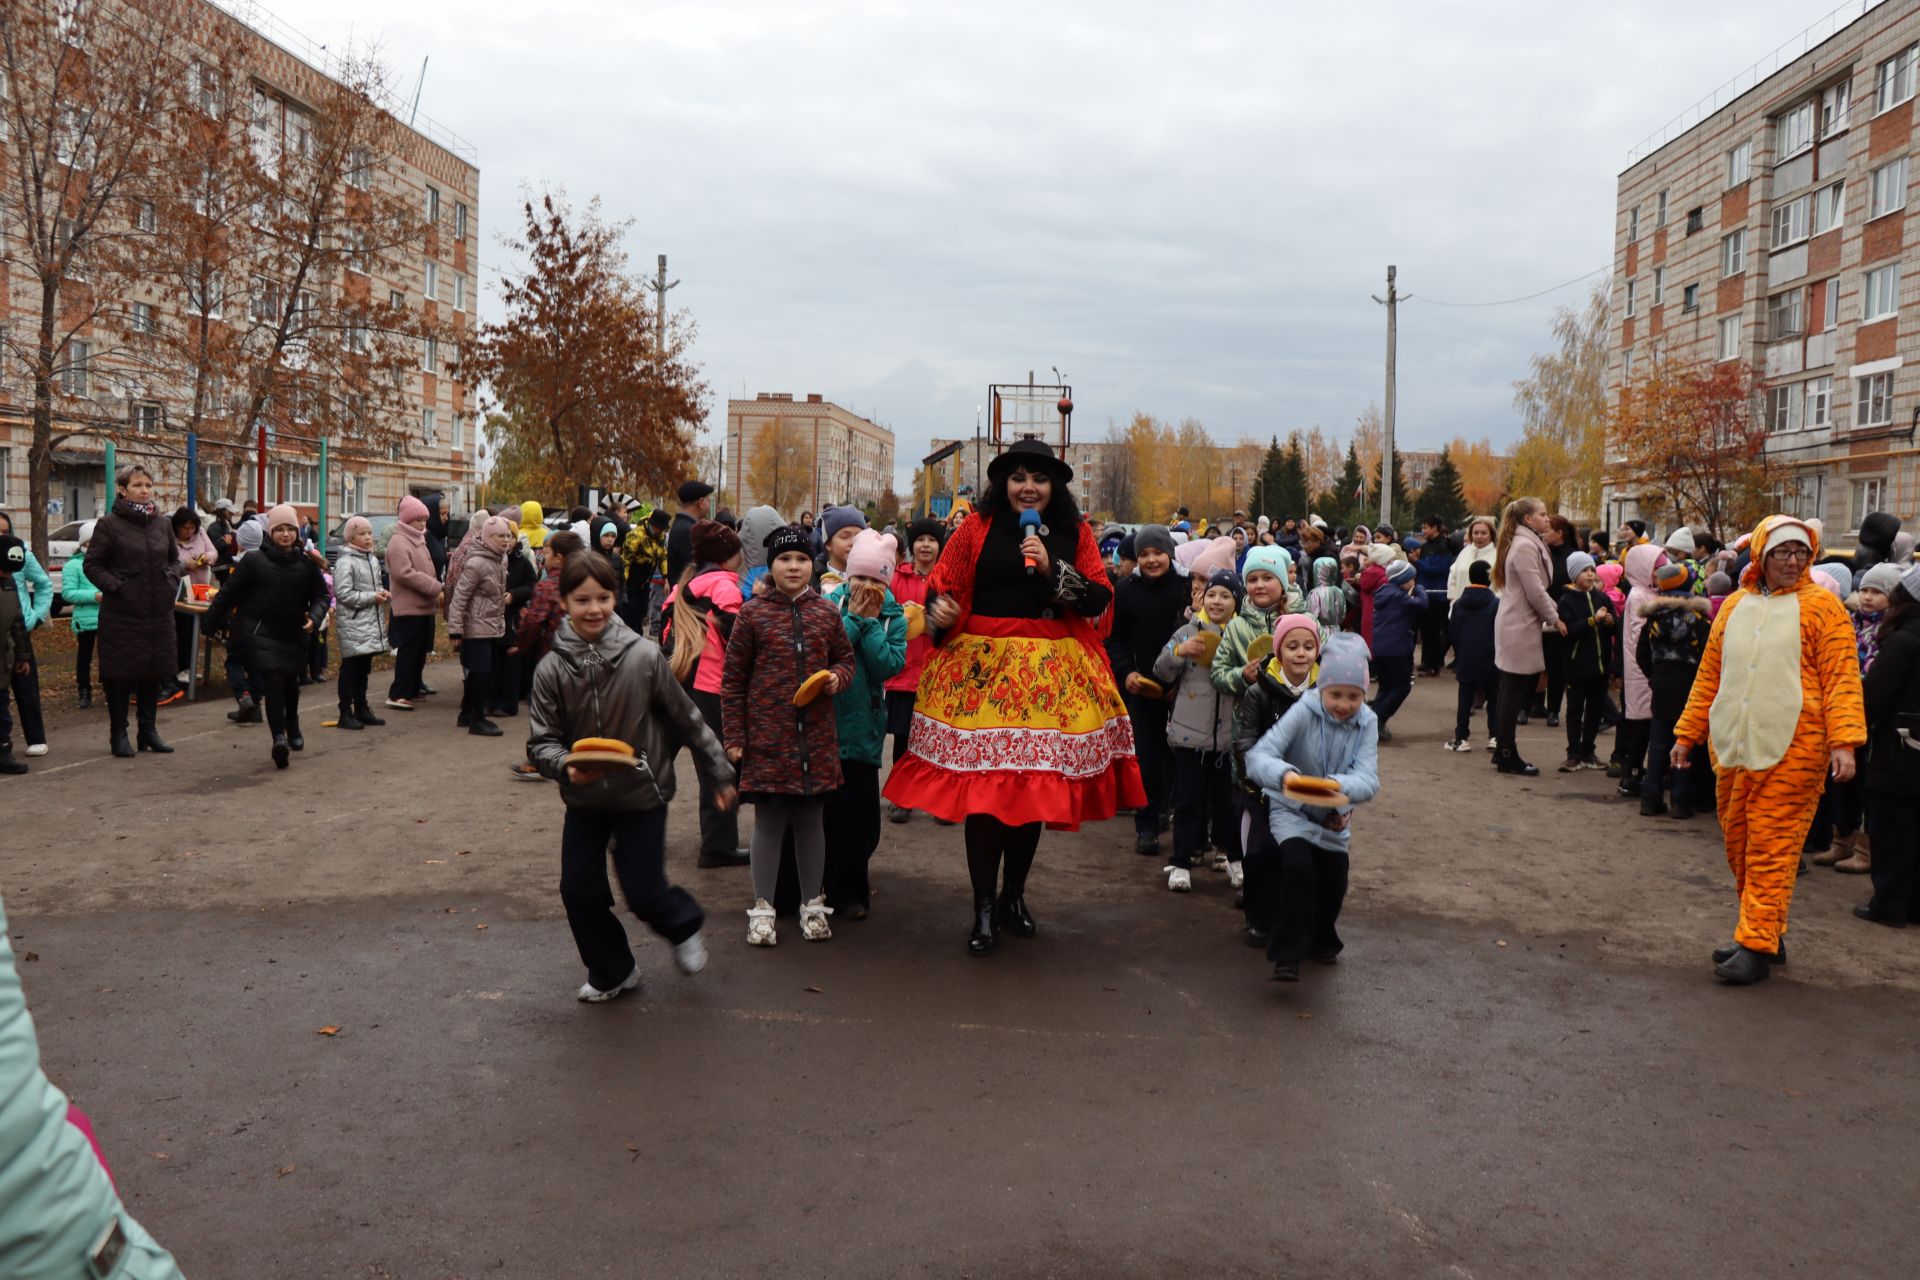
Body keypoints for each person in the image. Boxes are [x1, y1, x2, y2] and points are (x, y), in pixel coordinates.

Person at [883, 439, 1144, 954]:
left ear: (1054, 487)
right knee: (984, 798)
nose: (1028, 487)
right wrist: (940, 611)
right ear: (1003, 483)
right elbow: (944, 587)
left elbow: (1098, 596)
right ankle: (982, 907)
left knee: (1031, 795)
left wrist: (1050, 568)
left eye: (1040, 478)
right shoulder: (975, 529)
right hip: (982, 677)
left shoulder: (1076, 532)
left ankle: (1014, 897)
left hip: (1051, 679)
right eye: (1019, 477)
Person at [526, 551, 735, 1001]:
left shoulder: (643, 657)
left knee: (643, 891)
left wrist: (720, 774)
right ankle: (613, 970)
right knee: (578, 890)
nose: (595, 608)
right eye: (582, 599)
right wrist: (565, 765)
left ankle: (683, 926)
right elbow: (541, 741)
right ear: (564, 602)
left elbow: (689, 719)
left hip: (643, 791)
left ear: (615, 598)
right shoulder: (550, 669)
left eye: (603, 597)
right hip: (584, 799)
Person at [1671, 515, 1866, 984]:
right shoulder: (1735, 605)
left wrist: (1844, 742)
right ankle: (1763, 930)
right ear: (1761, 554)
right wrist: (1686, 734)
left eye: (1801, 552)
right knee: (1739, 841)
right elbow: (1709, 677)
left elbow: (1842, 677)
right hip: (1734, 745)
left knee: (1772, 845)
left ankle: (1756, 944)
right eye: (1782, 552)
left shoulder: (1824, 608)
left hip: (1796, 746)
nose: (1793, 561)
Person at [722, 524, 855, 946]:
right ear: (771, 565)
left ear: (811, 564)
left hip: (815, 741)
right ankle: (763, 908)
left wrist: (836, 678)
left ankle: (812, 906)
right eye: (784, 559)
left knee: (811, 822)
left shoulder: (826, 613)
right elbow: (733, 681)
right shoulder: (752, 614)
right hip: (767, 741)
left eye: (800, 559)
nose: (793, 566)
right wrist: (734, 736)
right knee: (768, 822)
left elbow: (846, 661)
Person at [1243, 633, 1381, 982]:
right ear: (1322, 688)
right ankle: (1287, 954)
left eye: (1353, 696)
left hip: (1334, 816)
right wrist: (1285, 777)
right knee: (1299, 871)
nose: (1343, 704)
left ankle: (1322, 936)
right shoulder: (1304, 709)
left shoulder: (1368, 722)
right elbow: (1258, 756)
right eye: (1335, 694)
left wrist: (1337, 790)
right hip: (1290, 810)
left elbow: (1368, 778)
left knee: (1334, 882)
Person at [821, 529, 907, 917]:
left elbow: (888, 666)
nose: (867, 586)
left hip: (865, 731)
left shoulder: (893, 616)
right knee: (827, 815)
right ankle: (824, 887)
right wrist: (854, 619)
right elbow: (827, 652)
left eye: (876, 579)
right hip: (827, 725)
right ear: (848, 576)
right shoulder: (829, 606)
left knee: (862, 822)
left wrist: (871, 624)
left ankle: (853, 890)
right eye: (860, 578)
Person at [206, 504, 329, 769]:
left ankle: (292, 723)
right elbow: (228, 594)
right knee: (273, 681)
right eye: (279, 529)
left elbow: (321, 595)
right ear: (269, 533)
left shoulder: (306, 564)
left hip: (295, 632)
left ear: (297, 533)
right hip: (263, 633)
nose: (285, 534)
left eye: (290, 529)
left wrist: (315, 617)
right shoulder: (254, 561)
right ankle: (279, 738)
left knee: (291, 684)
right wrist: (210, 623)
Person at [662, 520, 749, 868]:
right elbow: (740, 643)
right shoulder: (726, 587)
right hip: (710, 691)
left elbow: (664, 636)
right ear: (729, 556)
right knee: (718, 768)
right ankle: (718, 846)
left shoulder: (680, 588)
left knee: (654, 763)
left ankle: (621, 832)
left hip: (672, 684)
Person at [1234, 614, 1322, 941]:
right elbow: (1244, 741)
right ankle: (1259, 919)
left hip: (1310, 795)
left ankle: (1303, 923)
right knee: (1261, 855)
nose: (1301, 653)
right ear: (1279, 650)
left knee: (1305, 861)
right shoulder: (1259, 692)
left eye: (1308, 646)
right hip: (1265, 791)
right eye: (1293, 646)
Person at [84, 465, 182, 758]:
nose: (144, 490)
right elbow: (92, 565)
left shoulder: (163, 524)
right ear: (123, 490)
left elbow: (175, 560)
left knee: (152, 671)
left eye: (149, 484)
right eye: (138, 484)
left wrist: (170, 579)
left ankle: (148, 731)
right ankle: (119, 734)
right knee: (120, 675)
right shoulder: (109, 525)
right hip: (122, 614)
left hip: (157, 613)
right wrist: (118, 587)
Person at [1156, 568, 1243, 892]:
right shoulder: (1186, 632)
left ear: (1236, 602)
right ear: (1202, 598)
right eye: (1212, 594)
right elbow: (1160, 669)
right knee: (1189, 800)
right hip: (1190, 733)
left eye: (1225, 595)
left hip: (1228, 738)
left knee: (1228, 804)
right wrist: (1180, 653)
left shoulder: (1241, 635)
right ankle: (1180, 861)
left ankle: (1233, 858)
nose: (1217, 601)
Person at [1105, 523, 1188, 856]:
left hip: (1183, 688)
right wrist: (1126, 674)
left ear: (1169, 553)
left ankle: (1187, 826)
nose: (1152, 560)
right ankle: (1147, 825)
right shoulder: (1125, 590)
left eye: (1158, 553)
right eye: (1144, 554)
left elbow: (1190, 634)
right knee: (1147, 758)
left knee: (1182, 758)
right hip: (1142, 687)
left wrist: (1179, 681)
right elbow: (1115, 638)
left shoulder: (1185, 587)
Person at [1817, 564, 1898, 871]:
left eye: (1876, 592)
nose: (1867, 597)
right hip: (1845, 708)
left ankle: (1864, 850)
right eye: (1864, 590)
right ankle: (1842, 841)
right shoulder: (1850, 622)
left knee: (1865, 783)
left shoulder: (1889, 630)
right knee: (1843, 782)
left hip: (1873, 715)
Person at [1856, 564, 1920, 926]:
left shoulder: (1903, 640)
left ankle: (1889, 905)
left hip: (1900, 747)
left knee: (1892, 828)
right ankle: (1913, 904)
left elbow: (1875, 695)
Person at [1489, 497, 1563, 777]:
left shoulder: (1525, 542)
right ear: (1527, 519)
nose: (1547, 518)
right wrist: (1556, 618)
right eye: (1542, 514)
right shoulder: (1523, 546)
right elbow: (1535, 591)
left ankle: (1504, 749)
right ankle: (1506, 751)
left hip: (1520, 623)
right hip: (1518, 625)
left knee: (1512, 691)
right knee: (1512, 692)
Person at [1635, 561, 1712, 817]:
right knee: (1685, 742)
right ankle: (1680, 801)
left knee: (1657, 744)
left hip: (1661, 685)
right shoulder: (1700, 621)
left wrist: (1655, 676)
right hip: (1691, 687)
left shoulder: (1653, 620)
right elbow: (1708, 657)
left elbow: (1642, 655)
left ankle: (1650, 797)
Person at [885, 516, 943, 820]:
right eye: (920, 539)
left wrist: (934, 623)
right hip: (904, 672)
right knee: (904, 739)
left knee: (936, 740)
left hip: (938, 675)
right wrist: (903, 617)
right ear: (912, 546)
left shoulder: (947, 579)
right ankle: (901, 797)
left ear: (939, 546)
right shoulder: (898, 578)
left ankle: (938, 800)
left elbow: (958, 620)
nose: (925, 545)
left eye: (932, 540)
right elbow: (884, 614)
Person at [448, 515, 518, 738]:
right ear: (488, 537)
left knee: (478, 671)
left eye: (508, 536)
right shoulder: (476, 563)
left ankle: (466, 713)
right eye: (500, 536)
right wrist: (455, 629)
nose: (506, 540)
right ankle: (477, 719)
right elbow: (460, 597)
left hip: (490, 624)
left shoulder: (501, 560)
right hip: (475, 625)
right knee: (480, 671)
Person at [1555, 551, 1616, 772]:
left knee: (1595, 710)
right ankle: (1573, 753)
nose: (1590, 575)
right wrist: (1593, 620)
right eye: (1584, 571)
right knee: (1574, 710)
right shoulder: (1566, 600)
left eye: (1592, 570)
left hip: (1600, 666)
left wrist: (1610, 621)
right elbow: (1569, 631)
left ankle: (1589, 751)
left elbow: (1615, 624)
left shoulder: (1602, 597)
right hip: (1577, 666)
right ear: (1574, 575)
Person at [1211, 544, 1293, 704]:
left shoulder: (1305, 620)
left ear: (1282, 583)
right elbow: (1217, 674)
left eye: (1267, 578)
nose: (1259, 585)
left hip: (1296, 717)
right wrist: (1242, 676)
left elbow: (1324, 667)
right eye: (1252, 579)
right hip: (1249, 720)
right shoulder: (1236, 626)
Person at [331, 516, 390, 731]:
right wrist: (372, 597)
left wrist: (381, 592)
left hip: (368, 624)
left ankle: (362, 708)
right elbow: (344, 594)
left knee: (364, 668)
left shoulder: (372, 559)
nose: (367, 538)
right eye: (362, 534)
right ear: (351, 538)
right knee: (351, 669)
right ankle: (345, 712)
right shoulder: (346, 561)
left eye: (369, 533)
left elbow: (375, 585)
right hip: (353, 624)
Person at [0, 511, 52, 754]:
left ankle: (36, 738)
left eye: (4, 531)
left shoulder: (19, 555)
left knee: (26, 686)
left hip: (19, 631)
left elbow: (44, 583)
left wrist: (37, 616)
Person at [1616, 543, 1666, 795]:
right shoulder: (1639, 596)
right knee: (1639, 724)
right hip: (1640, 669)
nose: (1660, 574)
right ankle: (1631, 774)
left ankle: (1635, 771)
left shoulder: (1648, 593)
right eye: (1657, 569)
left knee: (1645, 721)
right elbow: (1640, 634)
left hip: (1645, 666)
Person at [384, 495, 441, 711]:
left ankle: (412, 688)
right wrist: (434, 586)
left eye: (425, 519)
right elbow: (404, 573)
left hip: (423, 605)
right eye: (418, 520)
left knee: (419, 651)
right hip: (409, 607)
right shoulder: (399, 541)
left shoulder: (418, 538)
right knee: (409, 651)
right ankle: (398, 693)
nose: (423, 523)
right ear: (407, 520)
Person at [1369, 559, 1426, 742]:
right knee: (1402, 686)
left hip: (1380, 648)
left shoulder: (1384, 593)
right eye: (1412, 579)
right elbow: (1421, 605)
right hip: (1397, 648)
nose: (1414, 582)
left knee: (1386, 686)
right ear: (1404, 579)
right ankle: (1377, 718)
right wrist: (1420, 590)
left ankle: (1373, 722)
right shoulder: (1399, 597)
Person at [1446, 559, 1499, 752]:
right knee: (1494, 697)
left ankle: (1461, 738)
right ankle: (1495, 736)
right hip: (1490, 656)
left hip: (1466, 655)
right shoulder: (1495, 603)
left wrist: (1459, 652)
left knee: (1465, 697)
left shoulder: (1459, 604)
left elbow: (1453, 631)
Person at [62, 520, 102, 710]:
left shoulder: (107, 563)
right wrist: (93, 596)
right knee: (84, 658)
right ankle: (84, 691)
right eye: (89, 543)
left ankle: (111, 688)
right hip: (86, 619)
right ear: (82, 544)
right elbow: (68, 593)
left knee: (109, 656)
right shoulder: (73, 566)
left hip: (107, 617)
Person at [0, 538, 31, 774]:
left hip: (4, 659)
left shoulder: (9, 583)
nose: (6, 574)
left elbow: (17, 622)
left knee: (2, 709)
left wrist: (22, 655)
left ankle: (3, 752)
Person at [1415, 516, 1456, 676]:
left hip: (1437, 595)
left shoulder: (1443, 547)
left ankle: (1434, 663)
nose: (1423, 531)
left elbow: (1438, 569)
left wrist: (1417, 562)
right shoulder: (1425, 547)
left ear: (1435, 528)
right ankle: (1427, 661)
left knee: (1434, 630)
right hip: (1424, 592)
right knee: (1425, 630)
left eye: (1426, 527)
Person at [665, 479, 713, 588]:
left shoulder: (682, 525)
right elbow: (696, 568)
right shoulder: (688, 530)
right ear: (700, 503)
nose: (709, 505)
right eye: (708, 501)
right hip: (686, 598)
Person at [815, 504, 866, 590]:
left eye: (859, 536)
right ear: (828, 544)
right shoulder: (810, 578)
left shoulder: (875, 578)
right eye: (845, 537)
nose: (853, 542)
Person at [1447, 516, 1498, 600]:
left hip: (1488, 608)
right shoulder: (1464, 553)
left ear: (1491, 535)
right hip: (1462, 608)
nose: (1479, 536)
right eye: (1476, 533)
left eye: (1483, 533)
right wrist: (1453, 600)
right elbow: (1452, 577)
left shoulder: (1497, 555)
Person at [422, 491, 451, 580]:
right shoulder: (424, 536)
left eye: (447, 514)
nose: (446, 518)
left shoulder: (439, 533)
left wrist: (446, 556)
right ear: (432, 514)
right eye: (442, 514)